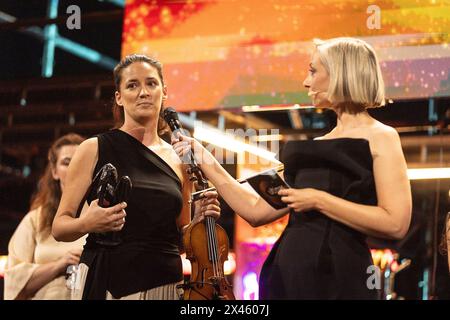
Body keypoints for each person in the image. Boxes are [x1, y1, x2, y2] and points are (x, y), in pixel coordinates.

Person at [172, 37, 412, 299]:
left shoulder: (381, 137)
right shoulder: (310, 151)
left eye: (313, 71)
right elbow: (254, 210)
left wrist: (318, 200)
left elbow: (395, 223)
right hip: (286, 278)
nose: (306, 82)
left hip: (340, 279)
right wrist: (205, 158)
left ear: (341, 73)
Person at [52, 54, 221, 300]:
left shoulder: (180, 159)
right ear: (119, 97)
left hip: (166, 284)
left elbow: (181, 242)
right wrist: (87, 223)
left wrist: (196, 221)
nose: (143, 92)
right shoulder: (93, 148)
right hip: (109, 283)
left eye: (151, 84)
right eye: (132, 85)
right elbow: (59, 227)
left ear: (164, 92)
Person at [4, 133, 86, 300]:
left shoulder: (104, 219)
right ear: (54, 171)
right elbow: (13, 284)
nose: (73, 168)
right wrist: (60, 265)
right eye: (66, 162)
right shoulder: (36, 220)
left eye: (80, 162)